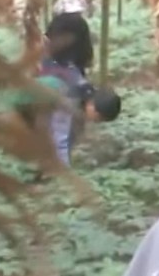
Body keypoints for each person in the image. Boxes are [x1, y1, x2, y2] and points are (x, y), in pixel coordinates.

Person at [13, 23, 121, 168]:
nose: (95, 122)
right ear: (93, 108)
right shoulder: (70, 97)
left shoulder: (85, 90)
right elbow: (61, 137)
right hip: (23, 102)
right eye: (98, 119)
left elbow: (73, 133)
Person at [45, 0, 93, 75]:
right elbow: (86, 49)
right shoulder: (81, 23)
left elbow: (47, 43)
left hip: (54, 69)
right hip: (75, 69)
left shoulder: (55, 21)